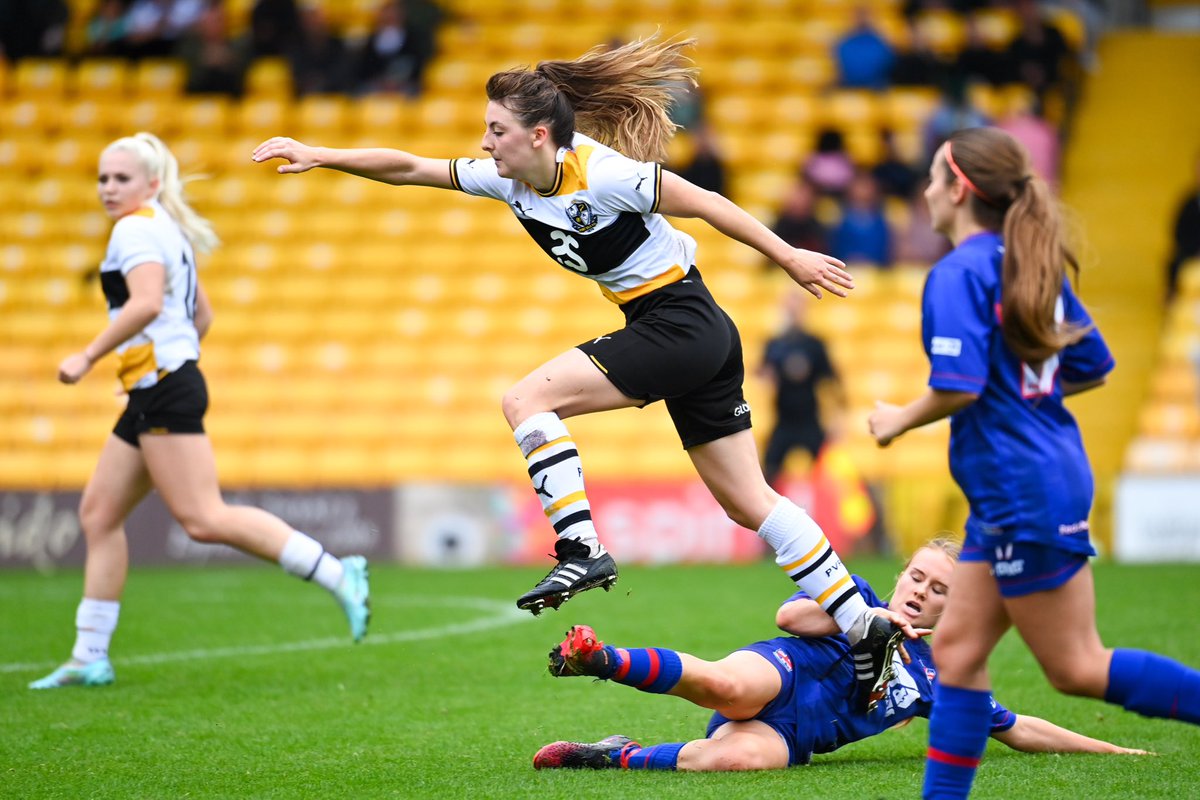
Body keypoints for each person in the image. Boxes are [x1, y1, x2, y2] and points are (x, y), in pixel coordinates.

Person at [252, 36, 911, 696]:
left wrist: (789, 256)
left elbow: (707, 200)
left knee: (525, 401)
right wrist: (321, 155)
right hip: (690, 329)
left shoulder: (605, 174)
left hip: (679, 321)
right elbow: (409, 167)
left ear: (539, 136)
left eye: (496, 130)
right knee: (750, 503)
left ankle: (582, 550)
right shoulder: (509, 180)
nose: (484, 144)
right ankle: (862, 626)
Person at [865, 126, 1200, 799]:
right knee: (957, 656)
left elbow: (958, 384)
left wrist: (897, 418)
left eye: (933, 175)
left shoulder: (958, 271)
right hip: (1025, 481)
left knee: (1075, 666)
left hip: (1021, 486)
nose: (925, 189)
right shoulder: (1027, 262)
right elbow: (1090, 365)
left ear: (958, 187)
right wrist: (1021, 394)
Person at [29, 132, 370, 690]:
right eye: (102, 178)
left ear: (152, 184)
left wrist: (89, 356)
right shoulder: (165, 229)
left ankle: (339, 573)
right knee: (98, 514)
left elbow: (144, 303)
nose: (108, 188)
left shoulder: (135, 229)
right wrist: (158, 369)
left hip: (164, 387)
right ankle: (89, 654)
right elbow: (200, 315)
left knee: (203, 518)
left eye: (121, 178)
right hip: (160, 385)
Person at [533, 538, 1147, 771]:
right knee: (730, 688)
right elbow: (789, 616)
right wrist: (864, 617)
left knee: (741, 761)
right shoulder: (860, 597)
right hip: (780, 674)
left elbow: (1017, 729)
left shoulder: (939, 676)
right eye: (918, 577)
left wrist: (1114, 748)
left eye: (939, 591)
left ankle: (611, 755)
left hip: (798, 738)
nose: (920, 592)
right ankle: (600, 658)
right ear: (903, 574)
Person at [758, 291, 840, 487]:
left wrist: (837, 419)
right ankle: (764, 516)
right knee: (768, 471)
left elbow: (832, 382)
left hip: (810, 419)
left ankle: (833, 515)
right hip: (783, 420)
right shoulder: (775, 344)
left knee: (829, 474)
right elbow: (762, 376)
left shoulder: (815, 344)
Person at [1166, 151, 1200, 300]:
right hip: (1192, 255)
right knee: (1176, 262)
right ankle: (1174, 298)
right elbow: (1179, 234)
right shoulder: (1189, 203)